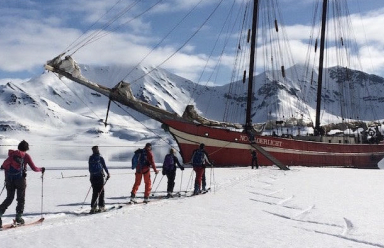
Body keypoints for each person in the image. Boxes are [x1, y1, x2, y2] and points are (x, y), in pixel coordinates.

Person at [0, 140, 45, 227]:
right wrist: (41, 169)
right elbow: (34, 168)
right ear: (26, 148)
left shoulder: (11, 155)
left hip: (9, 180)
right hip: (20, 180)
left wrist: (7, 178)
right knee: (20, 199)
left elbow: (4, 166)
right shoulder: (26, 156)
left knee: (9, 198)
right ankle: (19, 218)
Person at [88, 146, 110, 214]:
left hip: (92, 177)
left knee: (95, 192)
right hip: (99, 176)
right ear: (97, 150)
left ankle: (93, 207)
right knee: (101, 191)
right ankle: (101, 206)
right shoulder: (100, 158)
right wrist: (108, 173)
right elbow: (104, 166)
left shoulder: (91, 158)